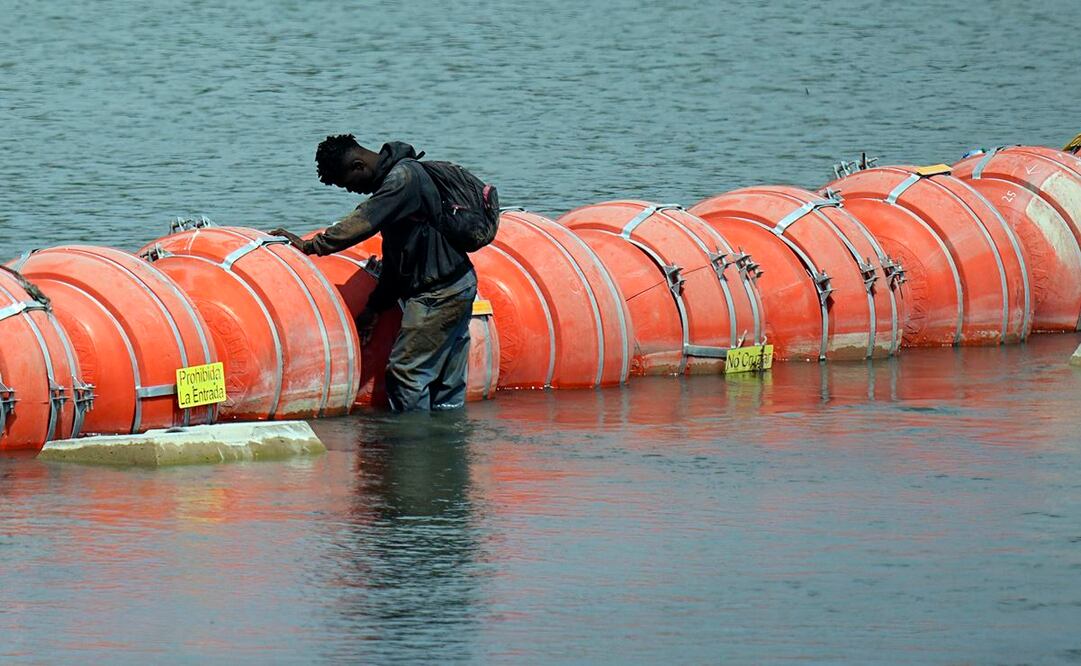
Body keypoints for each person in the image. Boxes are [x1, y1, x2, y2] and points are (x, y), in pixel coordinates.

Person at [271, 135, 477, 413]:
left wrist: (311, 246)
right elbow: (397, 261)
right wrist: (375, 307)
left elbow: (362, 221)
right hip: (457, 284)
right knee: (446, 384)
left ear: (358, 166)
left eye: (348, 184)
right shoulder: (404, 180)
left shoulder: (401, 181)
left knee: (406, 375)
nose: (351, 192)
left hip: (437, 295)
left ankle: (413, 449)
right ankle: (446, 446)